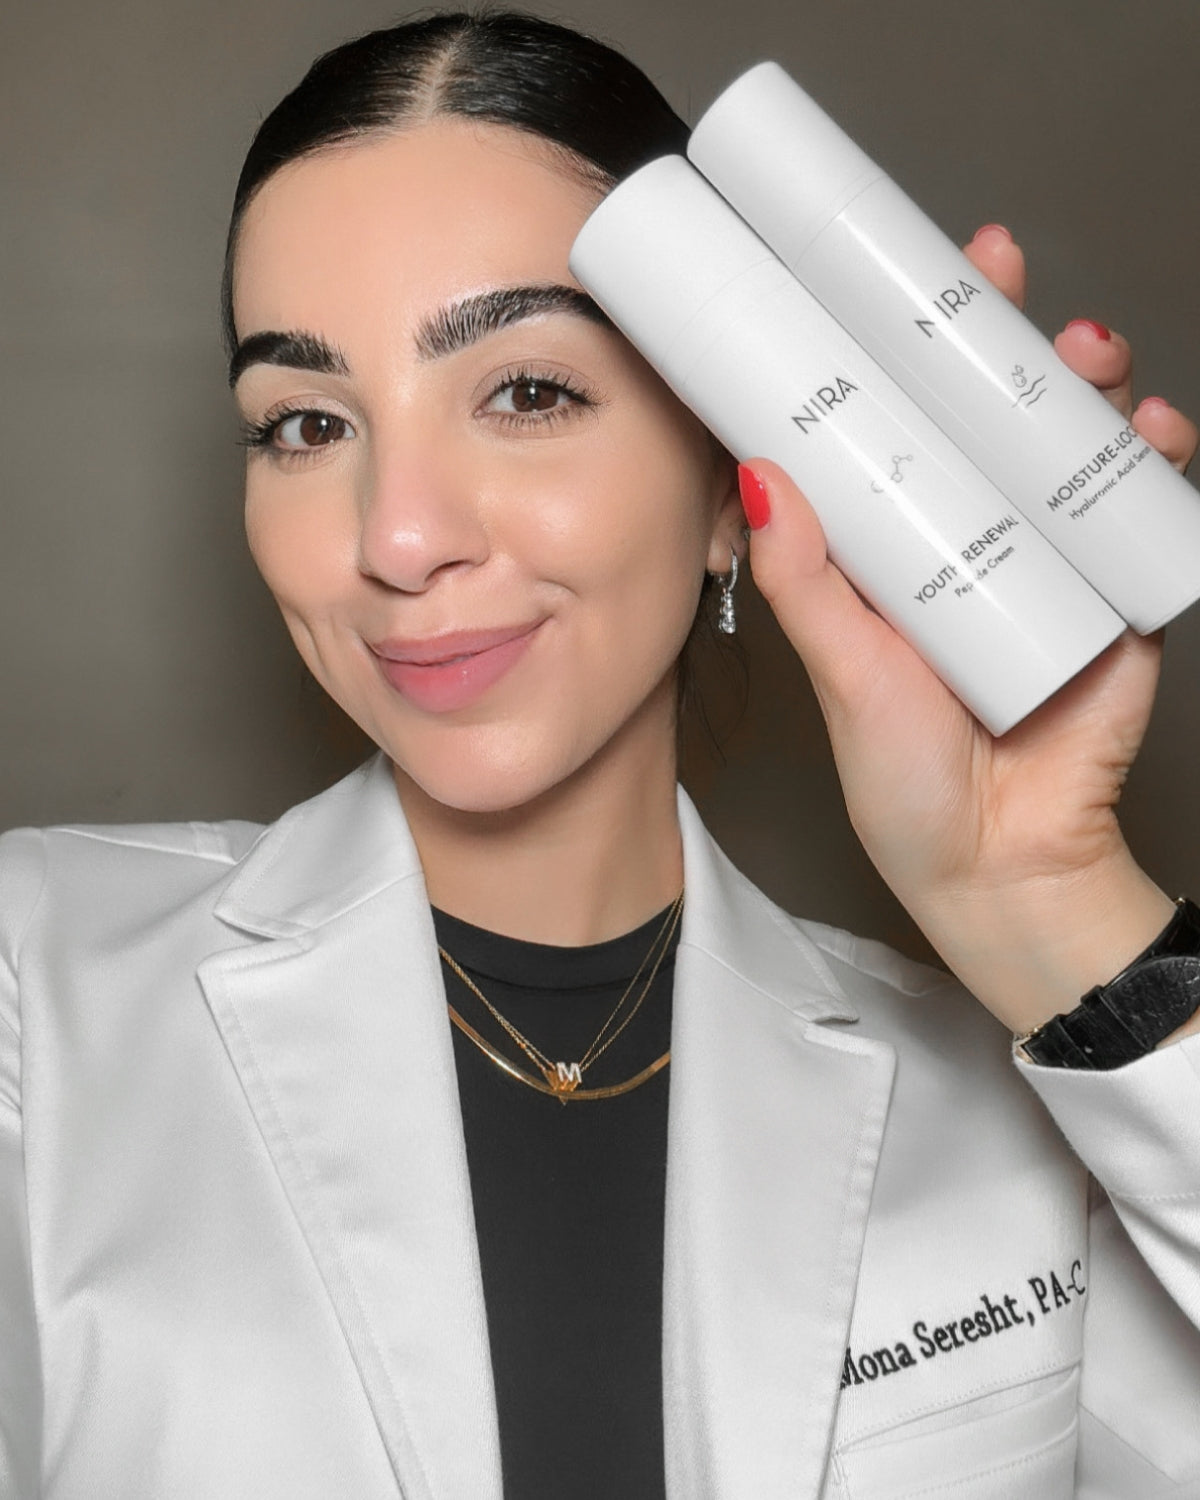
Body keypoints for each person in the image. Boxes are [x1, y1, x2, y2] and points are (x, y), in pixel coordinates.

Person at [2, 11, 1199, 1497]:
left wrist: (1048, 899)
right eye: (306, 423)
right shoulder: (32, 989)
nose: (399, 536)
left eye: (525, 393)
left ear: (733, 483)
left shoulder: (1035, 1105)